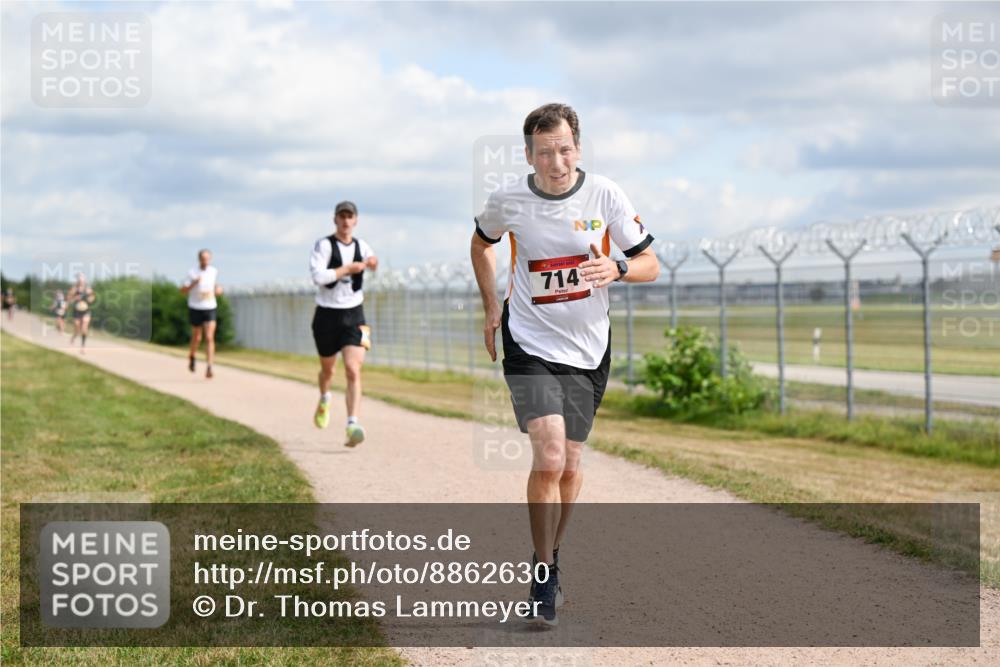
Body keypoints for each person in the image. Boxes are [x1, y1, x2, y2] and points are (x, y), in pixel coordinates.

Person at [470, 103, 659, 627]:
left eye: (565, 150)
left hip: (588, 349)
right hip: (529, 341)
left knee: (571, 464)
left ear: (578, 147)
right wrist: (491, 306)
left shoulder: (606, 194)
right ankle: (543, 572)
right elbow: (481, 244)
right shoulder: (509, 199)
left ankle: (551, 554)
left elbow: (650, 264)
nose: (557, 162)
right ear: (528, 154)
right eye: (545, 152)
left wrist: (618, 267)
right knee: (550, 454)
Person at [309, 201, 378, 447]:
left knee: (353, 368)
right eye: (342, 216)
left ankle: (352, 424)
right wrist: (346, 269)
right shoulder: (324, 245)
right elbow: (318, 276)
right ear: (335, 219)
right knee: (328, 370)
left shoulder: (362, 245)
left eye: (350, 216)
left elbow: (373, 261)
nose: (346, 220)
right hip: (326, 316)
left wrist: (373, 263)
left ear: (355, 220)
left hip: (355, 315)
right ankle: (325, 397)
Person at [180, 249, 223, 379]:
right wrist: (194, 283)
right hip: (195, 307)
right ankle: (192, 356)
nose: (205, 261)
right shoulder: (192, 272)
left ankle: (209, 366)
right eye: (203, 259)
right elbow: (182, 290)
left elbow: (215, 285)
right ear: (199, 259)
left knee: (209, 337)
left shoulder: (213, 271)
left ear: (210, 259)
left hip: (210, 306)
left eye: (207, 259)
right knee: (197, 337)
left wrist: (218, 289)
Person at [66, 274, 96, 352]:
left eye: (82, 279)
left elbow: (92, 298)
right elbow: (68, 299)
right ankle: (74, 337)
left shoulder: (88, 289)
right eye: (80, 280)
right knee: (77, 329)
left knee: (84, 328)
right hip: (77, 311)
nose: (81, 281)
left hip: (86, 310)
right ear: (78, 281)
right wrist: (75, 298)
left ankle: (83, 346)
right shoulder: (74, 289)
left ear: (84, 280)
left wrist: (90, 299)